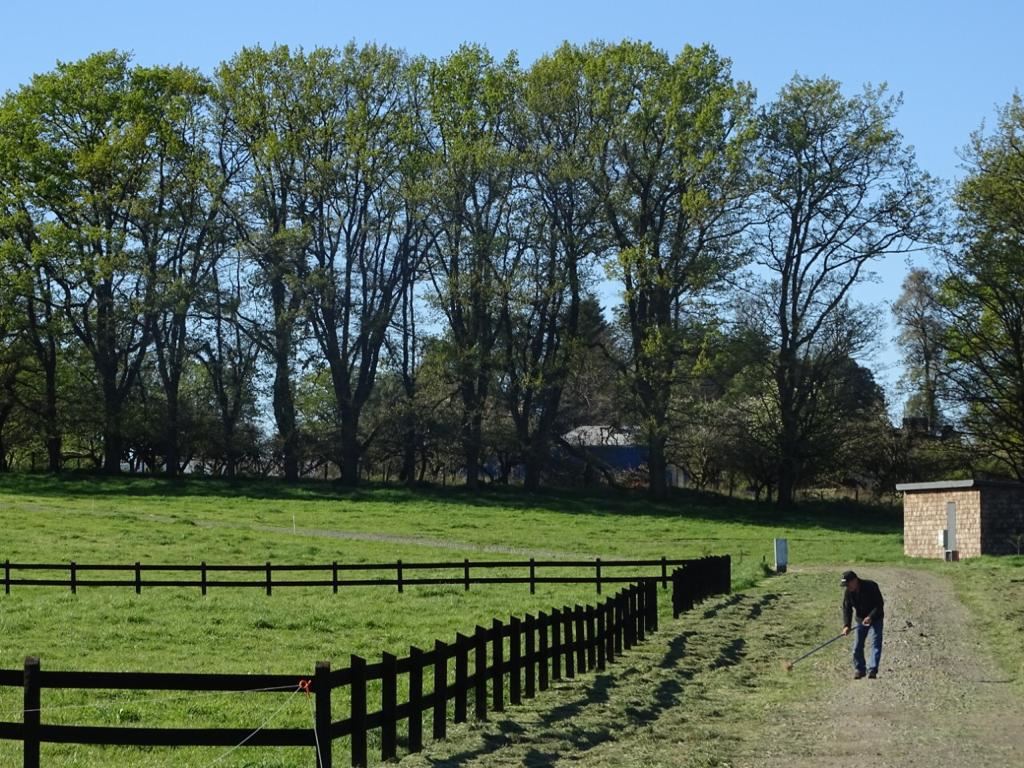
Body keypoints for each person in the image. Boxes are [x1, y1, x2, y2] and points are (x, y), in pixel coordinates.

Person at [840, 570, 884, 679]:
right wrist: (847, 625)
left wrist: (870, 617)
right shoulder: (848, 592)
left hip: (876, 619)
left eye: (848, 584)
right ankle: (860, 669)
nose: (847, 587)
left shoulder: (871, 586)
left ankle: (872, 670)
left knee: (875, 643)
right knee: (857, 647)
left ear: (855, 581)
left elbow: (879, 605)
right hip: (860, 620)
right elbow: (847, 609)